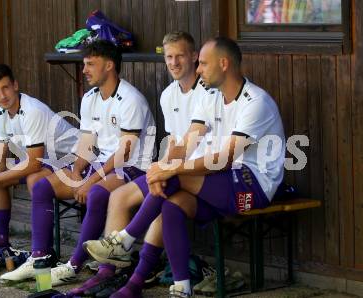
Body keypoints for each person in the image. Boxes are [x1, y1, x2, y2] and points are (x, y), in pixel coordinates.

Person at [85, 37, 286, 298]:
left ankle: (125, 240)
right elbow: (186, 143)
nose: (199, 69)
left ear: (223, 64)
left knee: (174, 178)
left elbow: (224, 158)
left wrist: (171, 171)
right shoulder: (211, 96)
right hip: (221, 181)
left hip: (253, 187)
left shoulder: (255, 102)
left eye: (203, 63)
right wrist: (164, 167)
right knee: (172, 204)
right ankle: (178, 288)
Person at [0, 40, 156, 292]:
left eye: (90, 64)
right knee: (41, 186)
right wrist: (75, 172)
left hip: (132, 166)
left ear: (109, 65)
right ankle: (41, 259)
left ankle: (74, 266)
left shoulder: (131, 99)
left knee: (94, 193)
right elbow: (87, 143)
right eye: (84, 64)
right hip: (99, 164)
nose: (84, 70)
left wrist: (89, 180)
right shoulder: (89, 98)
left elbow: (123, 153)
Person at [76, 31, 218, 297]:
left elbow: (204, 145)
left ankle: (137, 275)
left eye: (179, 56)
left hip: (202, 172)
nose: (174, 62)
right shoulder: (168, 95)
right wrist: (160, 167)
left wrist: (165, 169)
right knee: (118, 197)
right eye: (169, 57)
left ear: (194, 56)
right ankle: (111, 272)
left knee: (163, 197)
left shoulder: (209, 93)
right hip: (176, 168)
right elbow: (176, 142)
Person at [0, 63, 78, 278]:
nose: (3, 95)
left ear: (15, 85)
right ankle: (2, 246)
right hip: (47, 162)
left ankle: (43, 255)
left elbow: (34, 164)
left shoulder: (33, 111)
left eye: (6, 87)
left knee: (34, 180)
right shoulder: (0, 114)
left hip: (73, 160)